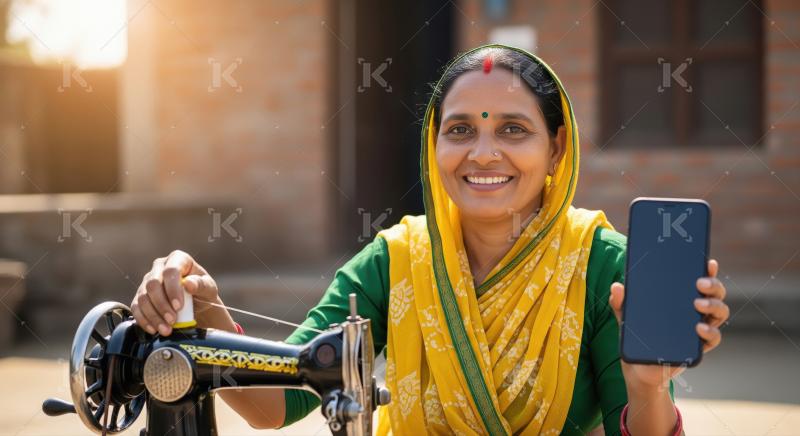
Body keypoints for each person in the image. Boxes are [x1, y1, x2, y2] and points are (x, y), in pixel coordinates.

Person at [131, 45, 729, 435]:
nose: (483, 153)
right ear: (434, 146)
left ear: (557, 150)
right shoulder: (394, 261)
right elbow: (275, 406)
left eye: (514, 130)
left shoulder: (604, 266)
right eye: (460, 130)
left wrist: (649, 388)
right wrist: (203, 306)